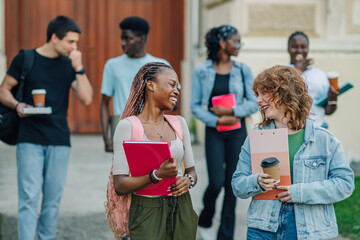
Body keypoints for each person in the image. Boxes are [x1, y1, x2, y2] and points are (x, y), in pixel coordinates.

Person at [231, 65, 354, 240]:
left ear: (285, 94)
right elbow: (237, 185)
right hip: (262, 227)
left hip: (307, 229)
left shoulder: (325, 140)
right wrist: (256, 181)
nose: (258, 101)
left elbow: (345, 184)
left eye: (264, 93)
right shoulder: (255, 138)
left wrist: (300, 192)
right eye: (257, 95)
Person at [0, 16, 93, 240]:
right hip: (29, 137)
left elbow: (87, 98)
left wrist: (79, 68)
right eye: (70, 42)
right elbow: (4, 90)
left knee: (52, 201)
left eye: (76, 42)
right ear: (54, 37)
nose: (74, 47)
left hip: (59, 140)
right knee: (29, 198)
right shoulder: (26, 58)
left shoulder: (69, 64)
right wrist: (18, 105)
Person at [112, 62, 198, 239]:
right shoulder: (127, 127)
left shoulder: (180, 124)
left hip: (181, 207)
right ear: (150, 85)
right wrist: (156, 175)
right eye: (172, 84)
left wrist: (188, 181)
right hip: (146, 211)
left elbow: (191, 171)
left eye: (178, 87)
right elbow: (120, 185)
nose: (177, 91)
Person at [191, 25, 258, 240]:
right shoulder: (202, 71)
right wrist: (217, 119)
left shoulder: (242, 70)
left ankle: (225, 236)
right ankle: (206, 215)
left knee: (233, 186)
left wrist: (231, 111)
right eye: (235, 41)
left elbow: (254, 102)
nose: (239, 45)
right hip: (215, 132)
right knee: (216, 182)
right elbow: (195, 105)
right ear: (222, 43)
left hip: (238, 132)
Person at [100, 16, 170, 152]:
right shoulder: (112, 65)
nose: (123, 43)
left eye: (128, 39)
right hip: (122, 125)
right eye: (122, 38)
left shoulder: (161, 66)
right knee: (122, 172)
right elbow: (104, 102)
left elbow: (174, 102)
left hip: (152, 126)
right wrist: (106, 137)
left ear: (142, 39)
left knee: (152, 170)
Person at [287, 31, 339, 128]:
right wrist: (298, 70)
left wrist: (333, 99)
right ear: (288, 49)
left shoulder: (320, 75)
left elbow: (328, 111)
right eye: (294, 46)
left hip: (318, 128)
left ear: (307, 49)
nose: (299, 50)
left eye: (303, 47)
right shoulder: (281, 72)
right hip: (291, 130)